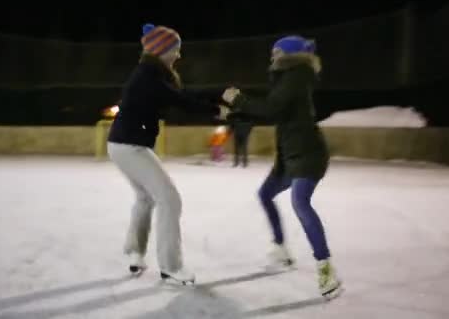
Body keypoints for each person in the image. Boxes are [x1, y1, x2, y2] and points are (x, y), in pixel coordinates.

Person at [107, 23, 229, 284]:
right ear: (161, 50)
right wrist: (217, 111)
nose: (179, 55)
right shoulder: (147, 77)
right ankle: (170, 267)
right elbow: (181, 101)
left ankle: (135, 253)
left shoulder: (153, 74)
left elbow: (181, 94)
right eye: (175, 49)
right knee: (169, 199)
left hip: (123, 144)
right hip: (130, 146)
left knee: (145, 199)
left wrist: (218, 94)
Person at [222, 35, 342, 298]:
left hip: (308, 154)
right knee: (265, 195)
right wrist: (235, 113)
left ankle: (325, 268)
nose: (272, 57)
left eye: (276, 52)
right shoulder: (287, 78)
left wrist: (238, 100)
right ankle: (281, 249)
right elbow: (275, 111)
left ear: (290, 55)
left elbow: (272, 108)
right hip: (289, 155)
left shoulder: (298, 74)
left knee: (300, 202)